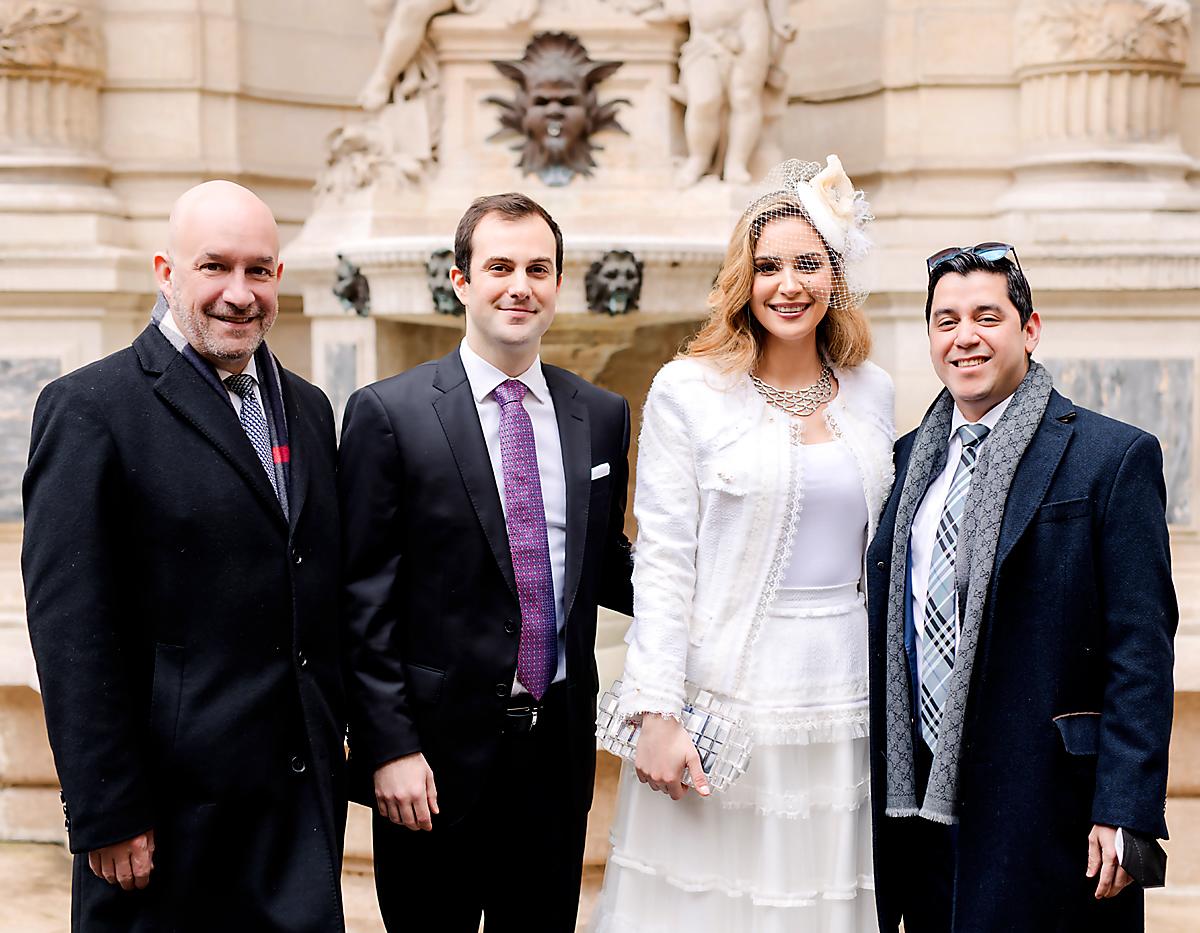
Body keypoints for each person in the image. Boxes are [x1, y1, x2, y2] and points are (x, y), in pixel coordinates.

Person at [21, 181, 347, 932]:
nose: (240, 293)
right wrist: (106, 808)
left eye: (259, 270)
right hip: (165, 827)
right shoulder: (89, 408)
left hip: (298, 814)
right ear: (166, 271)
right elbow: (72, 628)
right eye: (215, 267)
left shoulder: (307, 406)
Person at [591, 155, 892, 931]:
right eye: (766, 266)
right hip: (726, 698)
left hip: (847, 695)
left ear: (835, 275)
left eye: (807, 263)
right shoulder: (688, 390)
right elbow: (661, 560)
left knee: (824, 900)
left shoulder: (874, 389)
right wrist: (656, 712)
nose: (787, 284)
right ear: (741, 279)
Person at [339, 192, 634, 932]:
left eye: (539, 268)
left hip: (555, 757)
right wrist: (389, 747)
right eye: (499, 266)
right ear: (461, 280)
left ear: (559, 284)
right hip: (431, 763)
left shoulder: (599, 414)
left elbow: (607, 564)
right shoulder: (388, 413)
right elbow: (361, 599)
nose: (520, 285)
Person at [865, 244, 1177, 932]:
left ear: (1029, 329)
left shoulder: (1112, 457)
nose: (964, 336)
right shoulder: (904, 460)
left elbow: (1141, 648)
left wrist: (1124, 806)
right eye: (945, 321)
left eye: (986, 316)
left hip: (1050, 813)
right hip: (920, 809)